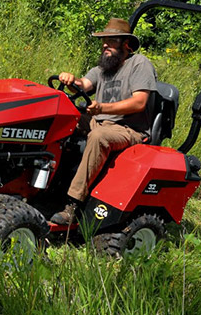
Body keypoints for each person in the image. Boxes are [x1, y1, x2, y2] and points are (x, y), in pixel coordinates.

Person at [50, 18, 157, 225]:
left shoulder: (139, 64)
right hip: (98, 121)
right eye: (104, 40)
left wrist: (102, 108)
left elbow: (139, 102)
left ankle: (73, 204)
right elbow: (83, 84)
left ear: (126, 44)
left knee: (99, 136)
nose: (105, 45)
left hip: (128, 129)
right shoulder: (103, 68)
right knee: (61, 119)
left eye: (111, 40)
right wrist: (70, 80)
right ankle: (43, 183)